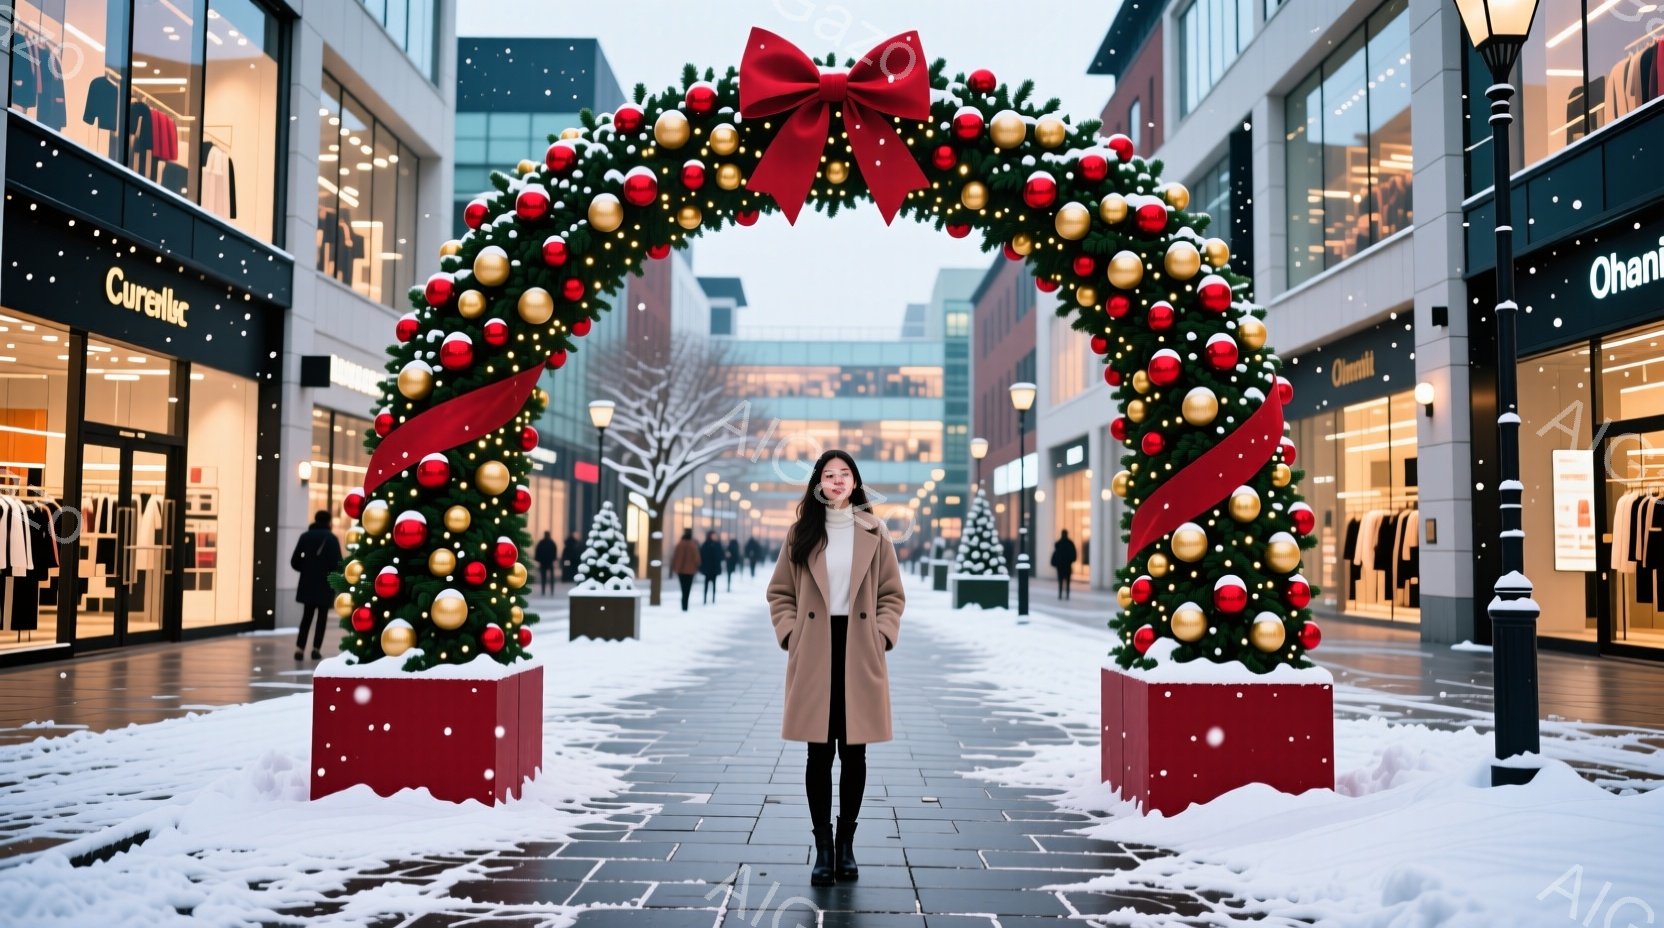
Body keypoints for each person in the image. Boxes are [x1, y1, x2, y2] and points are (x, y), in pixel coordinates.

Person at [767, 450, 904, 887]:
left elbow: (891, 595)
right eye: (829, 475)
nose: (837, 481)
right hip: (816, 648)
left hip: (860, 646)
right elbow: (779, 593)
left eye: (844, 474)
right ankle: (823, 848)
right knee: (819, 753)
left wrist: (882, 635)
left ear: (855, 481)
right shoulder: (801, 533)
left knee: (855, 751)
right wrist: (792, 635)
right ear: (818, 483)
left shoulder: (875, 531)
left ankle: (847, 846)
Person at [289, 511, 343, 661]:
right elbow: (338, 564)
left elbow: (294, 561)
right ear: (329, 522)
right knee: (322, 618)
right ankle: (315, 649)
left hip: (307, 583)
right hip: (325, 584)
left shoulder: (305, 537)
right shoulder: (332, 539)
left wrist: (306, 569)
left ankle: (299, 648)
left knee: (306, 617)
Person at [671, 528, 701, 611]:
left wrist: (674, 567)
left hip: (680, 570)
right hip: (690, 571)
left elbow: (675, 557)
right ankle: (685, 605)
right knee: (687, 588)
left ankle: (683, 603)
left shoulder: (679, 544)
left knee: (683, 587)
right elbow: (697, 559)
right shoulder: (693, 545)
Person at [1051, 530, 1079, 600]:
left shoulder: (1058, 543)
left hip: (1060, 566)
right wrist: (1070, 561)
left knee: (1060, 580)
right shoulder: (1070, 543)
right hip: (1067, 565)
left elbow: (1056, 554)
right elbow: (1074, 555)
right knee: (1068, 581)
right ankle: (1067, 595)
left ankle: (1060, 594)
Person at [699, 530, 724, 604]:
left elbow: (721, 555)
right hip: (708, 568)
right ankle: (705, 599)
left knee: (714, 584)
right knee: (706, 584)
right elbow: (702, 555)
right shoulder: (706, 544)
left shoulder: (717, 544)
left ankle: (713, 598)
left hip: (714, 568)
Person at [534, 531, 559, 596]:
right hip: (550, 562)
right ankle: (551, 591)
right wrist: (554, 559)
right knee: (551, 578)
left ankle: (543, 590)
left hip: (543, 562)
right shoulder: (551, 543)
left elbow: (538, 552)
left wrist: (538, 560)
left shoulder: (541, 543)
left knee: (543, 578)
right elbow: (555, 552)